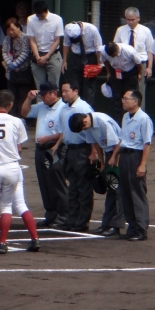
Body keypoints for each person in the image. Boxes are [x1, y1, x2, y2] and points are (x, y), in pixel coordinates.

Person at [0, 90, 41, 253]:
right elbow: (19, 149)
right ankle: (2, 243)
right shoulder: (16, 121)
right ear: (10, 104)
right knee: (7, 206)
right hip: (12, 167)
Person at [69, 110, 123, 237]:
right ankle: (106, 224)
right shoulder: (88, 125)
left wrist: (114, 162)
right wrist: (102, 162)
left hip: (118, 152)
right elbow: (95, 143)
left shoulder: (102, 122)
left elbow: (117, 143)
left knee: (117, 191)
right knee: (110, 190)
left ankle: (116, 226)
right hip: (109, 153)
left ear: (85, 121)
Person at [21, 83, 68, 228]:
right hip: (40, 149)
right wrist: (29, 99)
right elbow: (24, 113)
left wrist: (49, 139)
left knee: (56, 182)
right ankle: (51, 214)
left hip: (55, 148)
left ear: (53, 93)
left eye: (45, 95)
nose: (42, 98)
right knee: (44, 182)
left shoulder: (63, 108)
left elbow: (66, 131)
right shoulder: (42, 107)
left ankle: (63, 215)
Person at [109, 89, 152, 241]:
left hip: (136, 156)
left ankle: (141, 229)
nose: (123, 101)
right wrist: (114, 156)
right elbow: (122, 139)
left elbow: (147, 144)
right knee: (125, 192)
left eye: (126, 98)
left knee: (137, 193)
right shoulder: (126, 117)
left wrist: (142, 165)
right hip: (125, 156)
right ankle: (132, 227)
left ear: (135, 101)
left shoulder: (144, 119)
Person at [57, 78, 94, 233]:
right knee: (72, 186)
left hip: (82, 149)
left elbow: (92, 130)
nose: (64, 93)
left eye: (67, 90)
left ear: (76, 91)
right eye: (62, 91)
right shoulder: (64, 108)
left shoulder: (84, 107)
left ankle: (82, 221)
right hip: (69, 149)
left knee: (83, 187)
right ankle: (72, 219)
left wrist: (93, 152)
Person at [113, 7, 155, 102]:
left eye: (133, 19)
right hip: (124, 64)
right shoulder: (120, 30)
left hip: (141, 63)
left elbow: (150, 50)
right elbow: (115, 48)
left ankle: (139, 113)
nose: (130, 22)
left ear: (138, 18)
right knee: (125, 91)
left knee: (140, 91)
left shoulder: (145, 31)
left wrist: (149, 67)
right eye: (128, 19)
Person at [26, 0, 64, 89]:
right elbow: (32, 40)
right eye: (37, 15)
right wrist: (37, 57)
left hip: (53, 55)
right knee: (40, 87)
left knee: (53, 86)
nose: (39, 17)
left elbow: (57, 40)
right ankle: (40, 103)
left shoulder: (57, 19)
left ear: (46, 11)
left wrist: (46, 56)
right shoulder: (31, 19)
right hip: (37, 55)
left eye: (41, 15)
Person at [62, 20, 102, 105]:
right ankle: (75, 107)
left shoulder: (92, 29)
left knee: (88, 86)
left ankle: (87, 109)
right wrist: (64, 61)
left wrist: (99, 62)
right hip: (75, 57)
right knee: (75, 83)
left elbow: (98, 48)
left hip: (90, 56)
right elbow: (66, 44)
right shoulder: (68, 28)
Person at [100, 40, 143, 116]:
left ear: (117, 49)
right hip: (116, 72)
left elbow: (138, 63)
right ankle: (117, 119)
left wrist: (139, 74)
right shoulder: (103, 51)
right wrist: (108, 72)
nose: (112, 57)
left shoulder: (129, 51)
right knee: (117, 96)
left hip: (129, 72)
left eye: (113, 55)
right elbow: (105, 61)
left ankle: (129, 116)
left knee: (129, 96)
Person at [2, 17, 33, 117]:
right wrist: (10, 65)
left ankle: (23, 117)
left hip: (23, 71)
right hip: (11, 72)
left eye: (12, 29)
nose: (10, 32)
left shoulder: (25, 37)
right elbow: (4, 52)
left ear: (18, 28)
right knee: (12, 96)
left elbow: (25, 52)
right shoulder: (7, 39)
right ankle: (12, 116)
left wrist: (15, 64)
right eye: (8, 30)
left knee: (23, 96)